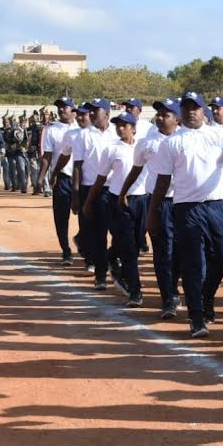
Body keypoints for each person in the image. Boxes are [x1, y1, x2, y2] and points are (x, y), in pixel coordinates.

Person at [147, 91, 223, 337]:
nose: (191, 111)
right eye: (187, 107)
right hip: (186, 208)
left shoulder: (218, 134)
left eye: (196, 107)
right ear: (181, 112)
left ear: (203, 111)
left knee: (222, 256)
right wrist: (153, 212)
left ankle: (206, 297)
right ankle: (196, 317)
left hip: (217, 205)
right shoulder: (171, 142)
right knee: (193, 263)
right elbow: (162, 181)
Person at [122, 98, 182, 318]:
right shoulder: (147, 142)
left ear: (177, 118)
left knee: (184, 252)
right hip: (158, 202)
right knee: (163, 252)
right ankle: (168, 298)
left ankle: (175, 288)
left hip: (185, 202)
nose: (159, 117)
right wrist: (123, 192)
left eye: (165, 114)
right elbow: (136, 170)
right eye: (158, 113)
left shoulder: (187, 139)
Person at [85, 111, 146, 307]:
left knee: (136, 245)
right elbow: (101, 178)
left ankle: (111, 258)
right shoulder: (111, 149)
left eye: (124, 125)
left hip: (143, 200)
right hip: (119, 201)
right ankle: (135, 291)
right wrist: (88, 201)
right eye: (118, 125)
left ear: (133, 128)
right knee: (128, 248)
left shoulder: (143, 146)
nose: (120, 128)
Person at [71, 98, 117, 289]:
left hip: (115, 188)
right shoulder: (83, 135)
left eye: (95, 111)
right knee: (98, 234)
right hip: (92, 188)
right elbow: (77, 165)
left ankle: (112, 263)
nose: (90, 114)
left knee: (122, 234)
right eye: (90, 111)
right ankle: (100, 275)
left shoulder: (117, 132)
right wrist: (76, 194)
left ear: (106, 113)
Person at [46, 100, 82, 265]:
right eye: (59, 106)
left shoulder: (82, 128)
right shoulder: (51, 129)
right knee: (61, 217)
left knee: (86, 217)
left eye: (64, 106)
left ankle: (81, 240)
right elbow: (47, 155)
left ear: (73, 110)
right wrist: (43, 177)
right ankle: (66, 251)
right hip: (62, 178)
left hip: (83, 179)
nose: (61, 109)